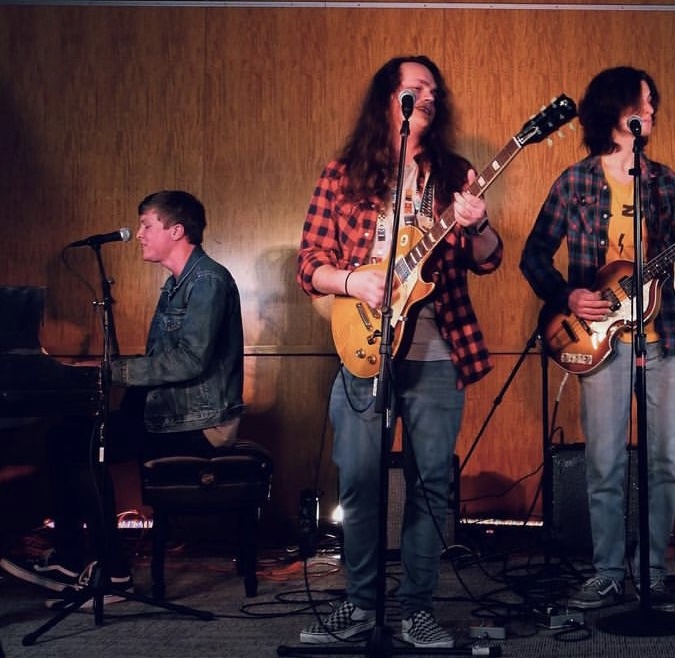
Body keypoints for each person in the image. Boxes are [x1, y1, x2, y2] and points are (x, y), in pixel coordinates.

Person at [520, 66, 675, 611]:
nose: (653, 112)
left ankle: (654, 571)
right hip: (596, 340)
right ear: (619, 110)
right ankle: (607, 571)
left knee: (666, 458)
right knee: (605, 461)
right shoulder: (574, 182)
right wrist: (569, 296)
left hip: (660, 338)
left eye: (654, 104)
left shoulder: (664, 183)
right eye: (646, 102)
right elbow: (533, 256)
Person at [296, 55, 501, 647]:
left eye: (434, 91)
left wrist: (479, 223)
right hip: (363, 348)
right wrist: (352, 281)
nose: (428, 98)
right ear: (390, 98)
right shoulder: (344, 173)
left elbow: (487, 257)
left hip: (438, 350)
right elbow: (309, 262)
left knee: (431, 482)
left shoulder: (454, 173)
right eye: (416, 89)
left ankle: (416, 608)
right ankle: (360, 606)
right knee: (358, 481)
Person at [0, 190, 245, 606]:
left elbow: (189, 361)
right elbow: (162, 361)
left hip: (201, 425)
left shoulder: (208, 281)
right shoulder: (176, 284)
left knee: (84, 447)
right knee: (64, 437)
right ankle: (69, 556)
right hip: (171, 415)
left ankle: (113, 573)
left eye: (148, 225)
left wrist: (108, 371)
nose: (140, 235)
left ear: (176, 230)